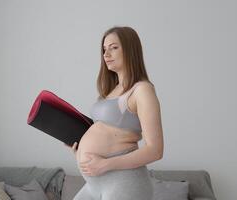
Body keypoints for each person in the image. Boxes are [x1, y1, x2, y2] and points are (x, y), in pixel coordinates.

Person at [65, 26, 164, 200]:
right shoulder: (110, 91)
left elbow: (155, 150)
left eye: (114, 47)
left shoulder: (142, 90)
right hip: (95, 183)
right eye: (104, 49)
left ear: (130, 50)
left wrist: (105, 164)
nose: (106, 54)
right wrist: (81, 152)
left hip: (124, 183)